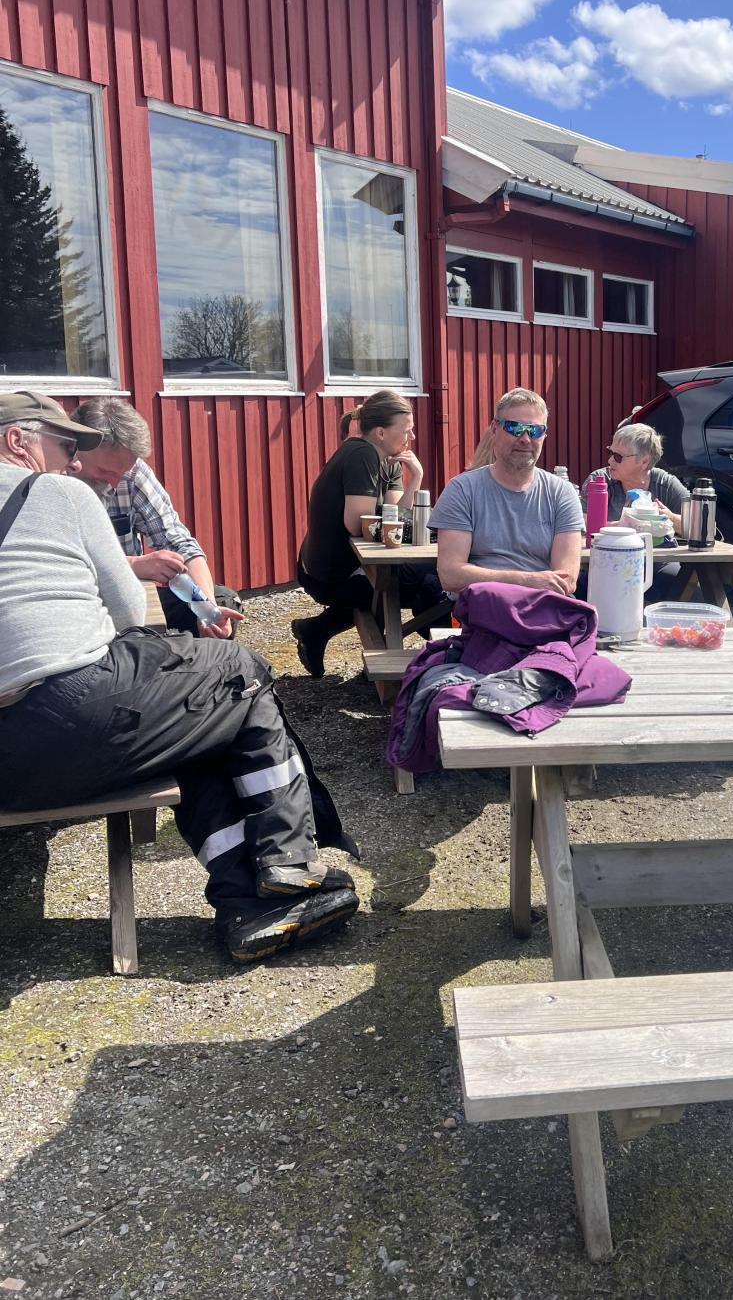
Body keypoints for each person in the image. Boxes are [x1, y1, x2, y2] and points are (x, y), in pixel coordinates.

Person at [0, 389, 358, 963]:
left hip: (14, 773)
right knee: (239, 672)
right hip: (67, 712)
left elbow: (176, 543)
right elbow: (125, 611)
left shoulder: (104, 479)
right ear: (17, 441)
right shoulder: (58, 491)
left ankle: (248, 904)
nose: (71, 461)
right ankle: (289, 858)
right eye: (64, 445)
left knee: (194, 718)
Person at [293, 390, 441, 678]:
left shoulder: (389, 461)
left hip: (351, 567)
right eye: (406, 430)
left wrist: (417, 478)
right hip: (329, 574)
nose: (411, 437)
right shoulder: (361, 454)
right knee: (407, 583)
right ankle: (385, 667)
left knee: (410, 578)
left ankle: (318, 632)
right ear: (381, 433)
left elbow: (398, 515)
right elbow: (358, 524)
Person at [70, 398, 242, 640]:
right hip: (78, 603)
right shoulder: (50, 479)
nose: (115, 483)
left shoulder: (132, 471)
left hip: (133, 596)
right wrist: (131, 565)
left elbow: (179, 542)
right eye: (105, 471)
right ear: (75, 451)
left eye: (122, 472)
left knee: (222, 601)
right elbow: (57, 565)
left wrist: (205, 609)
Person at [430, 388, 583, 596]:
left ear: (544, 435)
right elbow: (450, 575)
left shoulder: (561, 493)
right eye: (515, 428)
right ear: (494, 430)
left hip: (543, 606)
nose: (525, 438)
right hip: (482, 605)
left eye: (535, 430)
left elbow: (567, 579)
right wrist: (527, 581)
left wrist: (531, 587)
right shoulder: (462, 490)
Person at [581, 423, 689, 536]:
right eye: (610, 453)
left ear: (644, 462)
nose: (610, 460)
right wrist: (624, 526)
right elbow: (581, 523)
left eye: (618, 456)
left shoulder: (665, 484)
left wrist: (669, 518)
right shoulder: (599, 481)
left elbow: (698, 526)